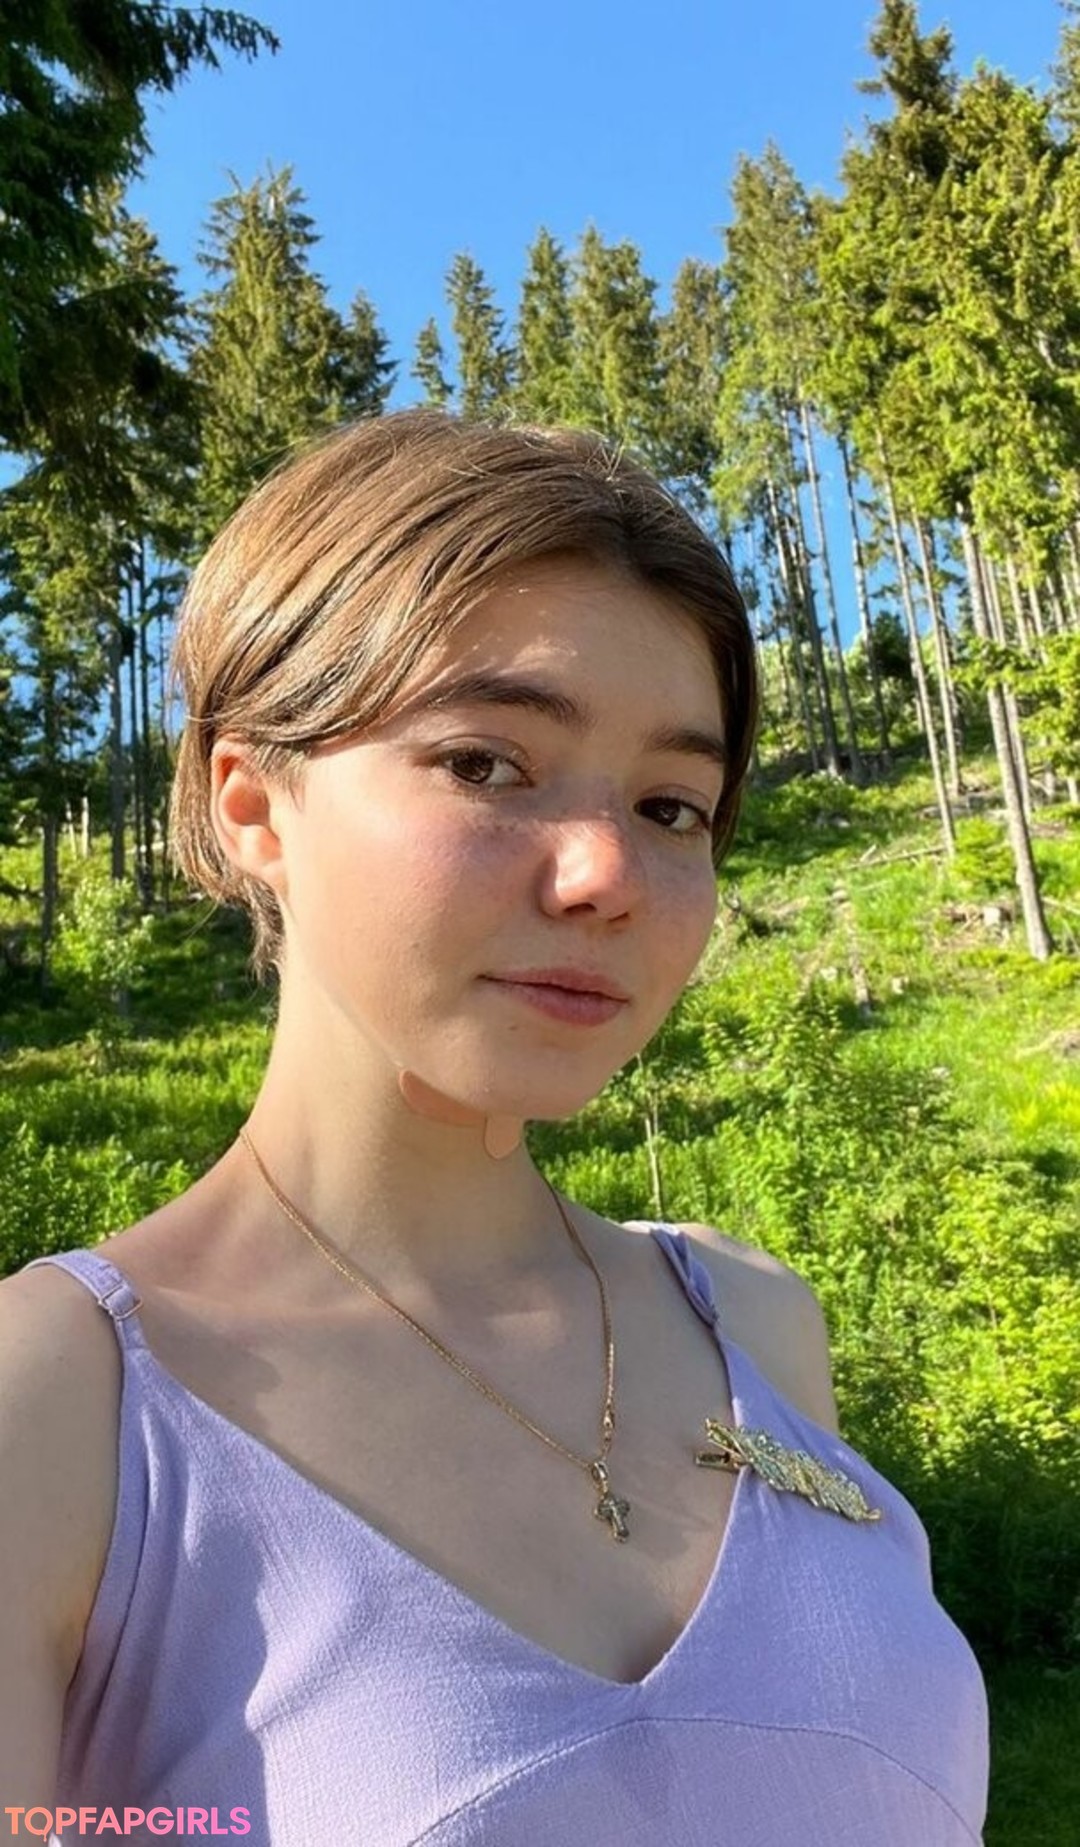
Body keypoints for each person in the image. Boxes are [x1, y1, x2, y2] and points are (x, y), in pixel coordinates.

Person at [0, 409, 988, 1846]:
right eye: (486, 764)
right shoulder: (60, 1408)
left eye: (672, 804)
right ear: (252, 804)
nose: (607, 873)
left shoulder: (756, 1324)